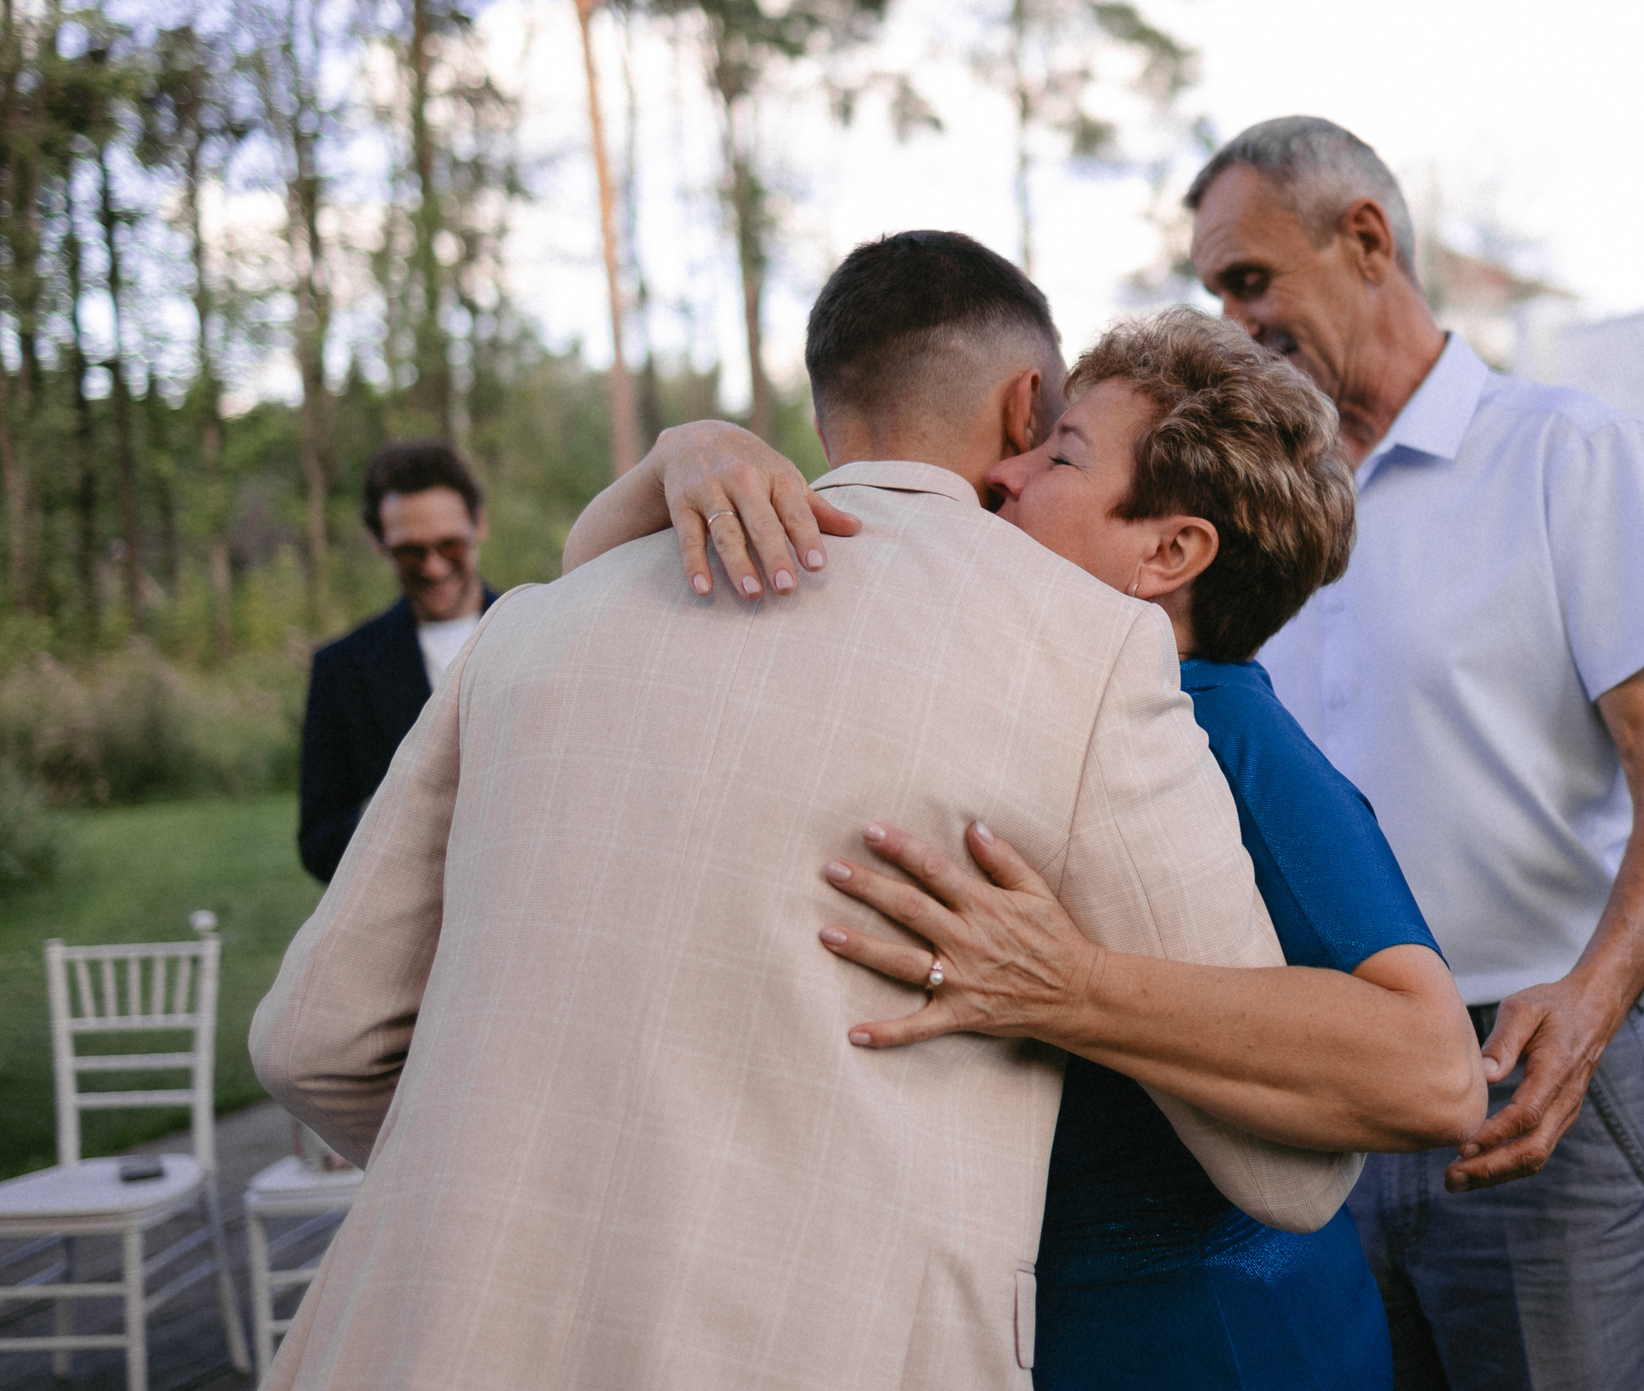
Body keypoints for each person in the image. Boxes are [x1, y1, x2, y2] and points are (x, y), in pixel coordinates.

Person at [249, 233, 1362, 1391]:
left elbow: (310, 1039)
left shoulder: (529, 625)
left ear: (829, 395)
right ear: (1028, 403)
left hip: (424, 1340)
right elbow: (1291, 1174)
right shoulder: (1087, 650)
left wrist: (513, 1186)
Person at [571, 306, 1488, 1390]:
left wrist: (1068, 989)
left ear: (1169, 550)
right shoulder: (1035, 696)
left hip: (1208, 1337)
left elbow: (1434, 1076)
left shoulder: (1225, 728)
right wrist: (689, 454)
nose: (1002, 477)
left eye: (1058, 455)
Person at [1188, 117, 1644, 1391]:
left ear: (1366, 239)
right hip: (1310, 1100)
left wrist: (1588, 1011)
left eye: (1249, 280)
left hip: (1532, 1095)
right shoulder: (1249, 499)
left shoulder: (1560, 450)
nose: (1229, 318)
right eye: (1214, 293)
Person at [296, 441, 497, 883]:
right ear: (378, 543)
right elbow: (318, 843)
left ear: (479, 525)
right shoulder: (341, 667)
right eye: (410, 552)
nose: (434, 567)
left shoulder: (541, 632)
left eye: (450, 546)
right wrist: (387, 817)